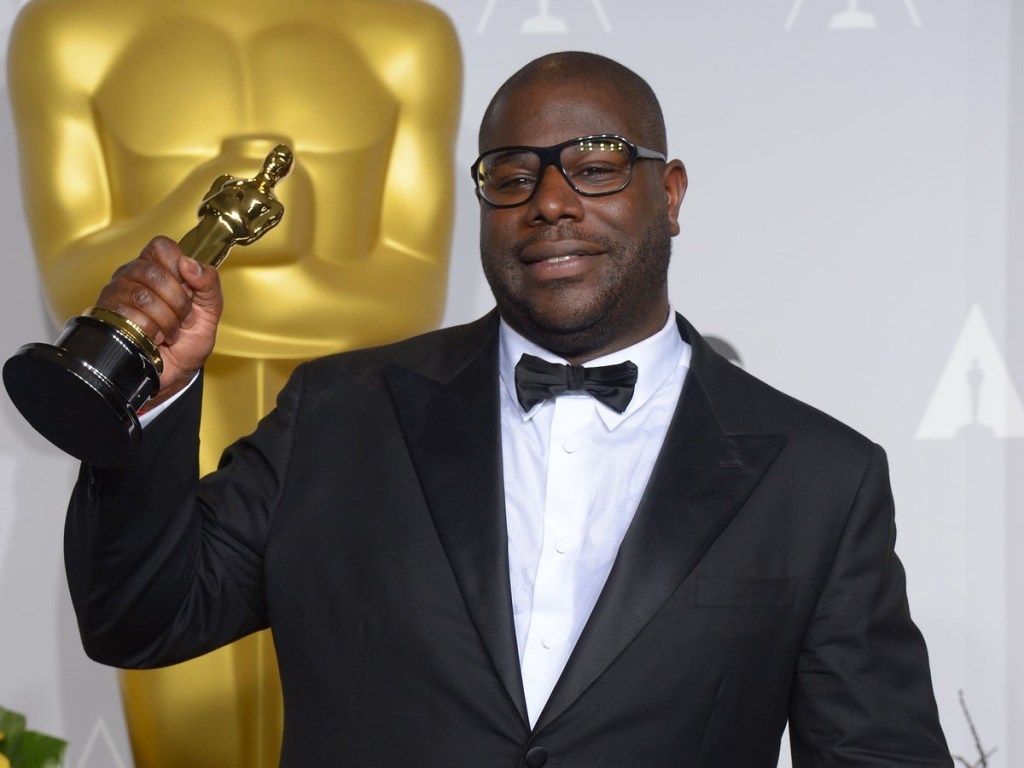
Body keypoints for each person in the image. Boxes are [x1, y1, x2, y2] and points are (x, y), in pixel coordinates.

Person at [65, 52, 951, 766]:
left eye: (594, 167)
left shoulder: (818, 479)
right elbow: (137, 617)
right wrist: (150, 394)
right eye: (513, 176)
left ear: (671, 194)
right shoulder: (336, 415)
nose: (550, 202)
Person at [8, 1, 460, 764]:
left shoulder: (408, 36)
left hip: (354, 451)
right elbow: (79, 288)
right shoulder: (68, 30)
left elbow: (412, 295)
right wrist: (205, 208)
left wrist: (213, 270)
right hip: (160, 452)